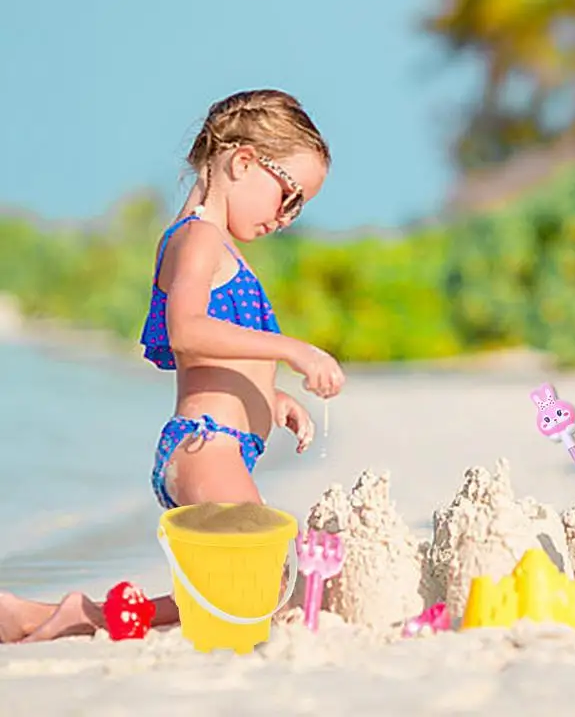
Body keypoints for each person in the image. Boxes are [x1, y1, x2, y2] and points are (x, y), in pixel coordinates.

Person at [0, 89, 345, 642]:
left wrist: (275, 401)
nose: (286, 217)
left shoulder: (217, 247)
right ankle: (80, 616)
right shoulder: (198, 239)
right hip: (206, 445)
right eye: (289, 196)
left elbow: (217, 361)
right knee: (255, 584)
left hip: (221, 444)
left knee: (242, 584)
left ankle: (46, 615)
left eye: (298, 207)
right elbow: (187, 332)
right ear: (244, 162)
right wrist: (292, 350)